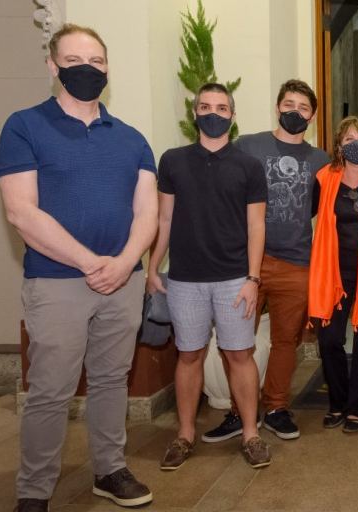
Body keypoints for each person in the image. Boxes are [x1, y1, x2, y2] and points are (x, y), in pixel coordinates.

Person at [0, 24, 156, 511]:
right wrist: (91, 262)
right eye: (74, 61)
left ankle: (109, 469)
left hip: (122, 282)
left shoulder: (132, 138)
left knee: (112, 380)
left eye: (97, 61)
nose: (88, 69)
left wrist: (126, 262)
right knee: (50, 390)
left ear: (108, 68)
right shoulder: (24, 126)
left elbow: (148, 212)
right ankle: (34, 490)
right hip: (57, 281)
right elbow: (21, 211)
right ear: (53, 66)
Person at [149, 83, 271, 471]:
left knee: (240, 354)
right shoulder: (172, 160)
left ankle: (251, 434)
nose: (213, 113)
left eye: (221, 107)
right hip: (185, 279)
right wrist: (153, 266)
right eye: (205, 106)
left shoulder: (249, 166)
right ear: (195, 113)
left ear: (233, 117)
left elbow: (257, 226)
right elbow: (164, 218)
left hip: (235, 277)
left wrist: (253, 278)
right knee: (189, 355)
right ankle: (184, 434)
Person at [203, 79, 329, 442]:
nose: (295, 112)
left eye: (303, 108)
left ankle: (276, 407)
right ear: (277, 107)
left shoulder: (319, 160)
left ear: (313, 116)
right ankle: (239, 412)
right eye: (289, 104)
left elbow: (323, 202)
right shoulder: (249, 146)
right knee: (236, 340)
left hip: (296, 263)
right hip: (247, 265)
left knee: (286, 341)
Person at [309, 116, 358, 433]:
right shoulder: (324, 178)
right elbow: (307, 217)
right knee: (329, 340)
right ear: (339, 146)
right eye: (349, 138)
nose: (356, 143)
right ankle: (338, 402)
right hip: (333, 275)